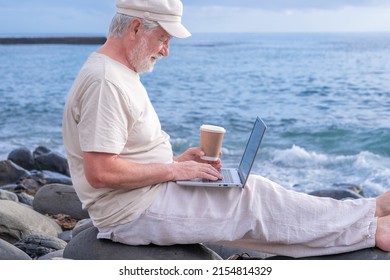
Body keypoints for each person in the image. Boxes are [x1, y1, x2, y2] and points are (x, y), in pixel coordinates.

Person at [62, 0, 390, 258]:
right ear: (135, 27)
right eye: (163, 38)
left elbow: (121, 155)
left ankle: (367, 214)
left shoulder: (118, 72)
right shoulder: (106, 81)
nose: (165, 50)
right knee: (251, 201)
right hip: (131, 211)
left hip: (144, 196)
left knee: (253, 192)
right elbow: (101, 172)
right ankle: (371, 227)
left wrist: (177, 163)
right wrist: (174, 172)